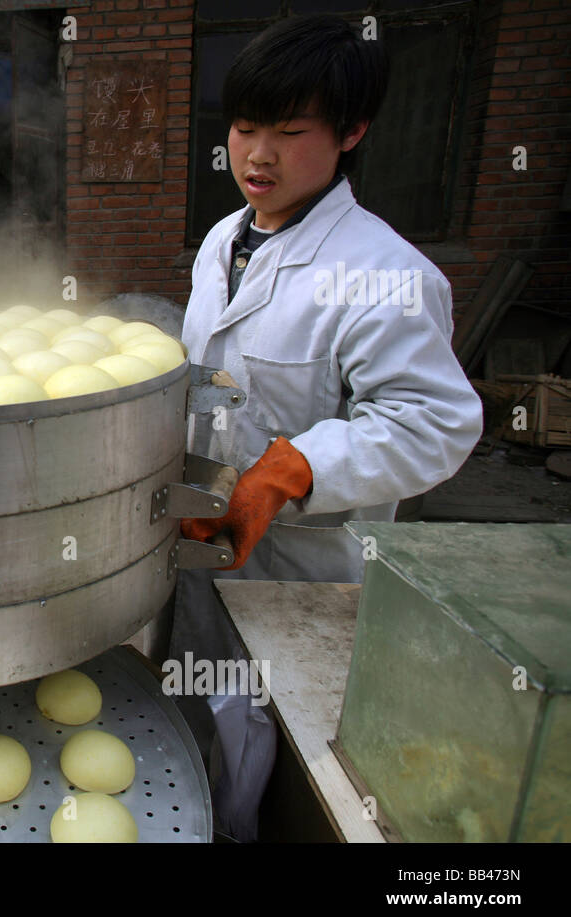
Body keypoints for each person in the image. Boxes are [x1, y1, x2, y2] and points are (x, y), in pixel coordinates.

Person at [174, 15, 483, 839]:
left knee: (261, 749)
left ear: (351, 132)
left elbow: (433, 423)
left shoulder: (388, 275)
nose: (257, 155)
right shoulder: (220, 242)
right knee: (194, 720)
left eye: (289, 130)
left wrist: (291, 469)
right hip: (204, 547)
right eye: (244, 128)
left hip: (300, 572)